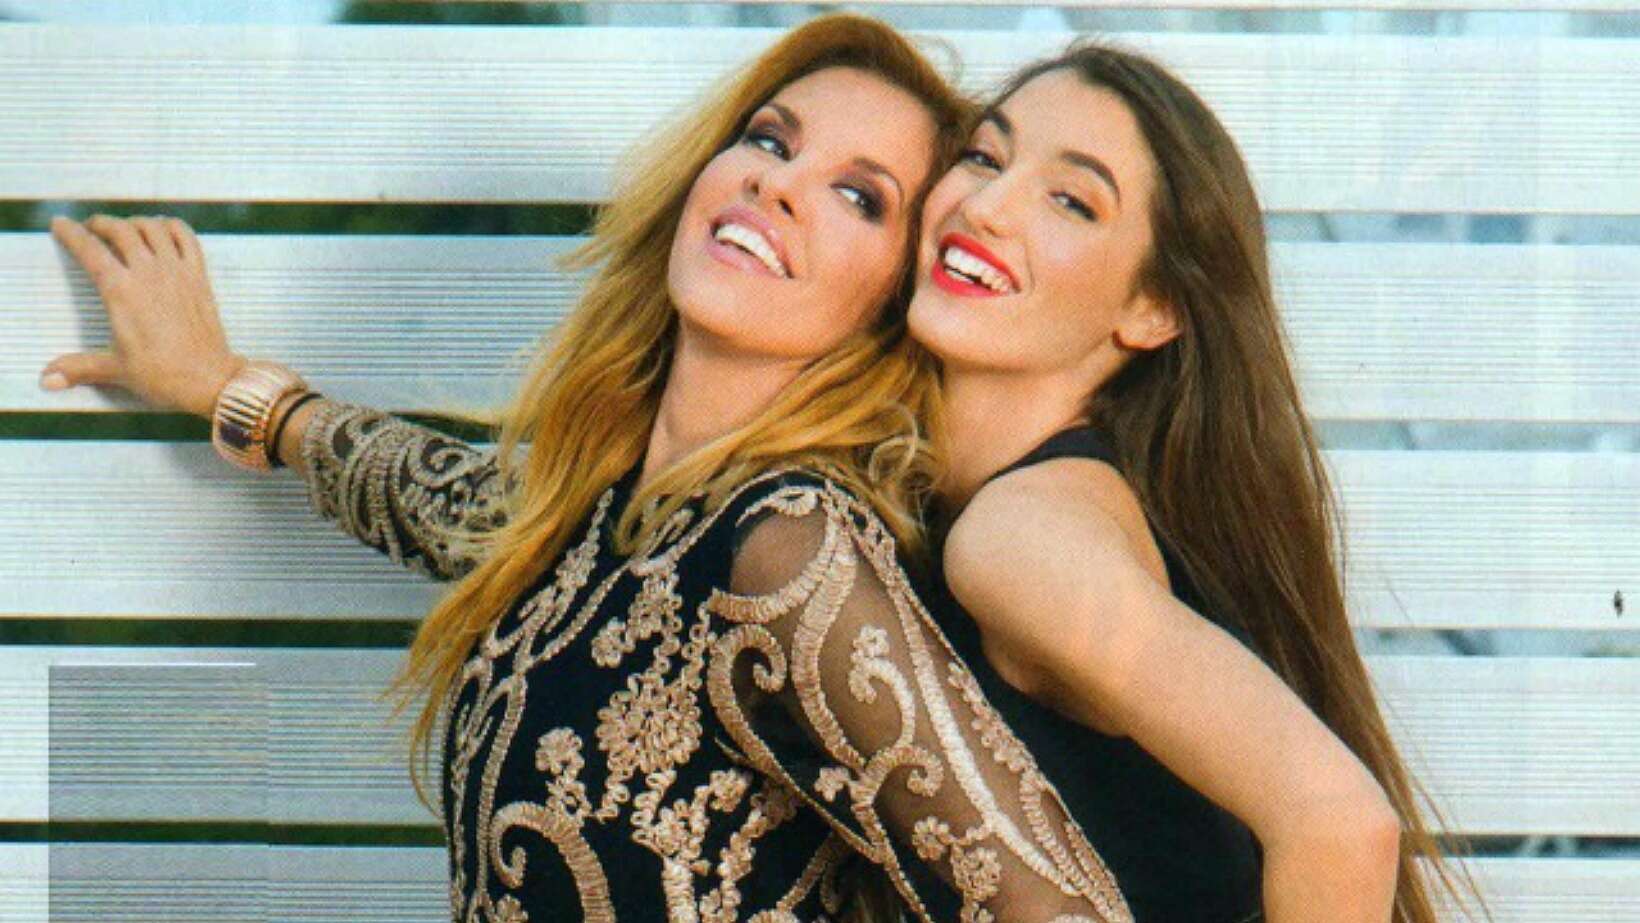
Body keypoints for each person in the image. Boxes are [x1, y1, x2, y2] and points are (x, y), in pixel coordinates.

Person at [41, 15, 1154, 923]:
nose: (777, 186)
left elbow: (1060, 909)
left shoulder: (791, 546)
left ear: (886, 303)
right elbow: (433, 493)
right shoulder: (594, 507)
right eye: (770, 141)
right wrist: (227, 386)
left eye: (858, 196)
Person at [905, 43, 1490, 923]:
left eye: (1071, 201)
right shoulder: (1064, 500)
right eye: (985, 157)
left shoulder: (1020, 537)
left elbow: (1340, 823)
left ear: (1154, 310)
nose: (985, 206)